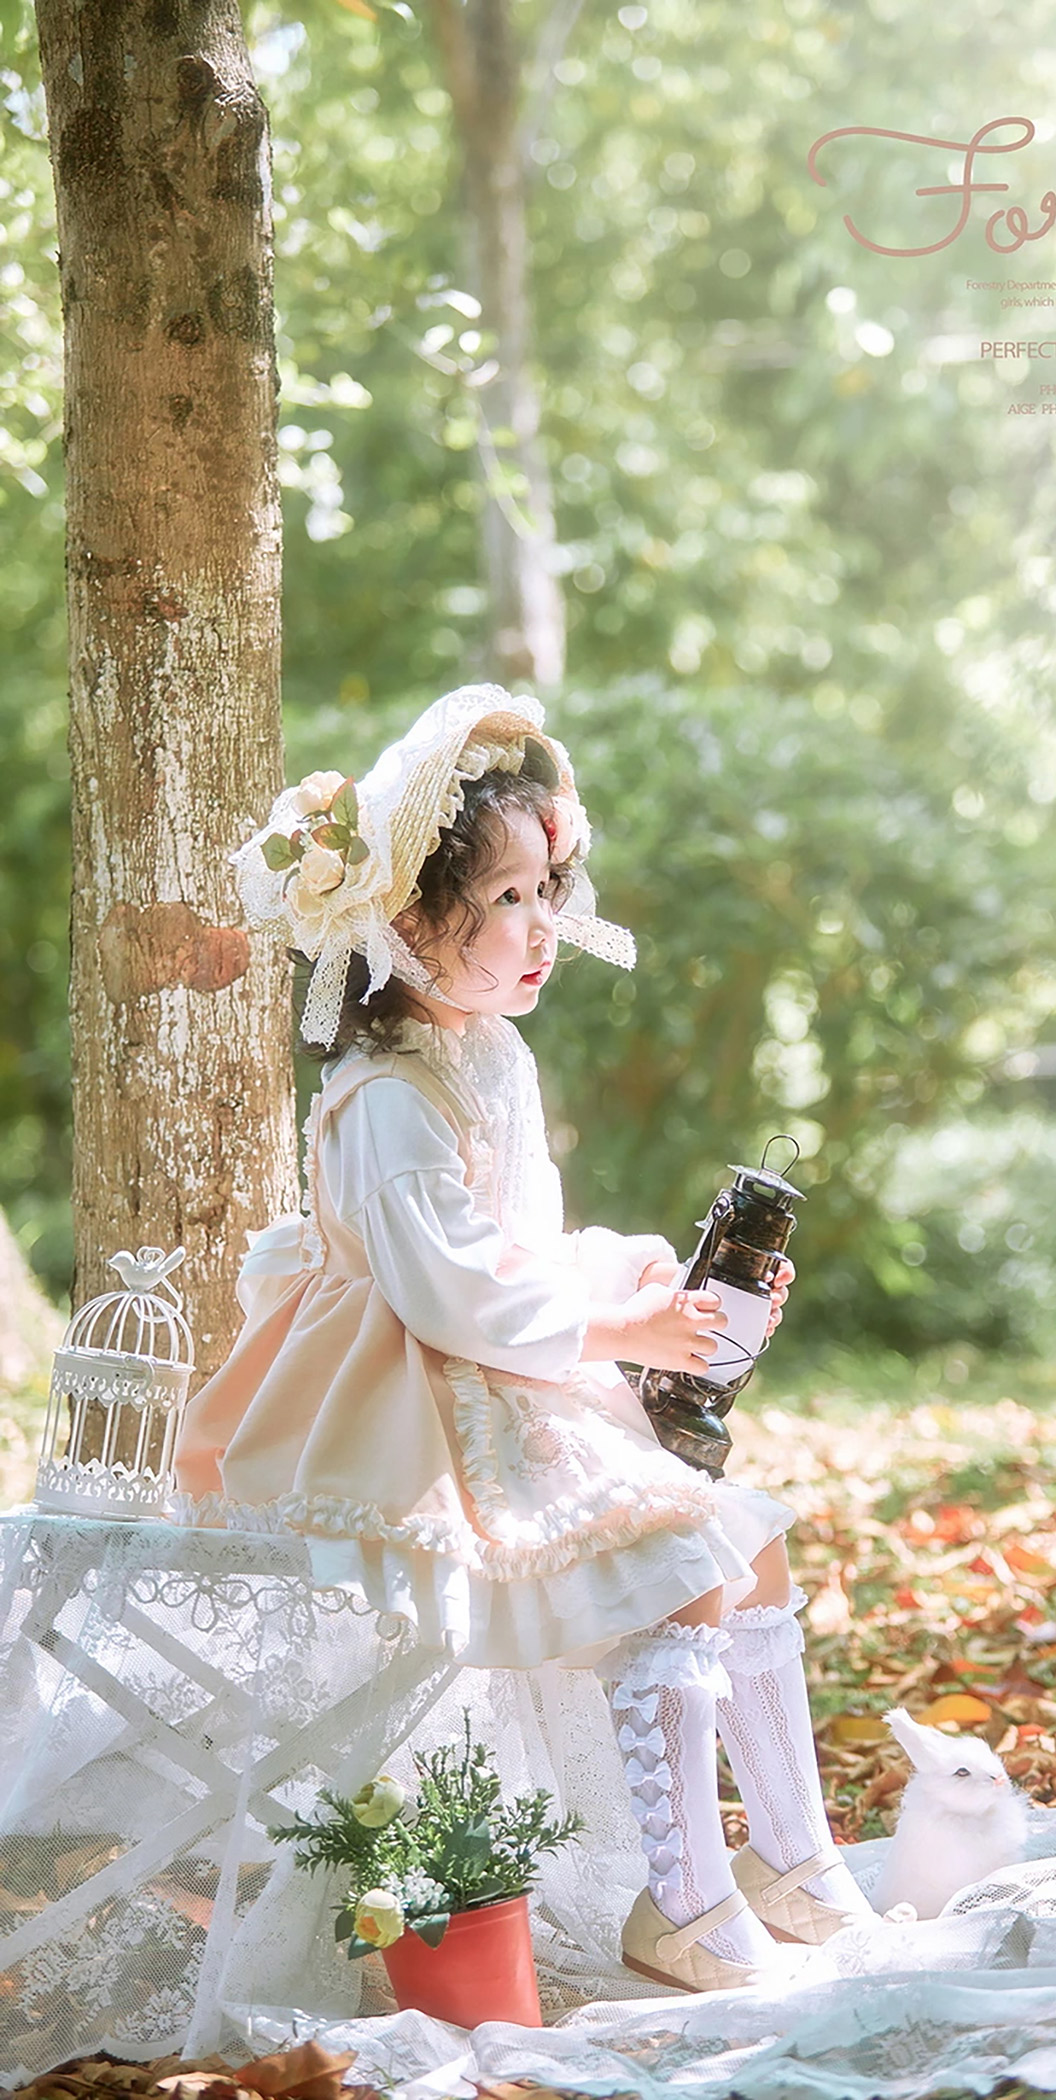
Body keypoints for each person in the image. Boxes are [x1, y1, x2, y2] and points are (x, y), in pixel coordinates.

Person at [173, 683, 875, 1996]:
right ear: (403, 921)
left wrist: (659, 1287)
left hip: (503, 1375)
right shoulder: (383, 1094)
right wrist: (616, 1327)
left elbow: (523, 1244)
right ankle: (687, 1902)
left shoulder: (494, 1053)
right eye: (505, 898)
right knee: (684, 1563)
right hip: (411, 1408)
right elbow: (452, 1290)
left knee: (755, 1546)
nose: (544, 923)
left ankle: (793, 1860)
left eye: (548, 888)